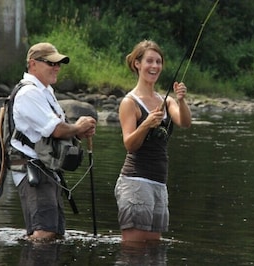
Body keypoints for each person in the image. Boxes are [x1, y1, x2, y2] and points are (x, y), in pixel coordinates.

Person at [11, 42, 96, 241]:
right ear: (33, 64)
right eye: (51, 63)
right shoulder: (29, 93)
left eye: (59, 64)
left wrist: (76, 133)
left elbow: (50, 132)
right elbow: (55, 129)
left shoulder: (44, 91)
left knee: (54, 234)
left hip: (46, 171)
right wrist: (78, 127)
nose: (57, 67)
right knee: (44, 234)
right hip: (34, 172)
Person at [114, 40, 192, 242]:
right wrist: (146, 124)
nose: (155, 66)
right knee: (134, 252)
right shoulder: (129, 103)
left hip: (159, 184)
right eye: (149, 61)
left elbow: (184, 122)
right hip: (136, 182)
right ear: (137, 64)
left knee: (153, 251)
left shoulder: (167, 101)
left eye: (159, 62)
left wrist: (181, 100)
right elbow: (130, 144)